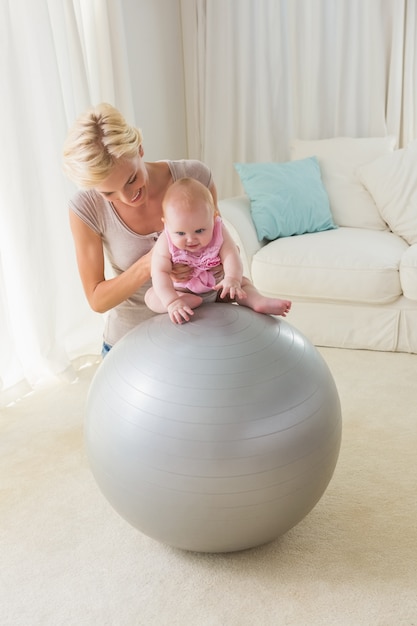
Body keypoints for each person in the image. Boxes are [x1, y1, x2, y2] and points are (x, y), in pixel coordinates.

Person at [62, 103, 223, 356]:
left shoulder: (194, 177)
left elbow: (219, 249)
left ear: (139, 149)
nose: (127, 197)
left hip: (199, 332)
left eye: (131, 179)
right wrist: (151, 263)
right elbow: (97, 299)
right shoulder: (86, 207)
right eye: (108, 193)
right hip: (130, 345)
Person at [145, 177, 292, 324]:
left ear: (214, 219)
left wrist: (232, 279)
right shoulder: (165, 240)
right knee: (151, 296)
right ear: (166, 224)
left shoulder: (219, 230)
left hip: (219, 287)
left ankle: (258, 301)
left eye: (199, 230)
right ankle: (180, 302)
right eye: (181, 233)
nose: (190, 239)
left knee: (243, 284)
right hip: (180, 291)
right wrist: (171, 300)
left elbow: (230, 254)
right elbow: (159, 272)